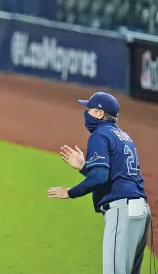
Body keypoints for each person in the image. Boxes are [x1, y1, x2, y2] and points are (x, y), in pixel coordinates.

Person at [47, 92, 151, 274]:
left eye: (89, 109)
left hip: (122, 211)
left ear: (100, 113)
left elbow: (100, 177)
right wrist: (84, 168)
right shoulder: (123, 136)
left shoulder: (99, 135)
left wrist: (71, 192)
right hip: (140, 212)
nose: (85, 113)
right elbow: (115, 175)